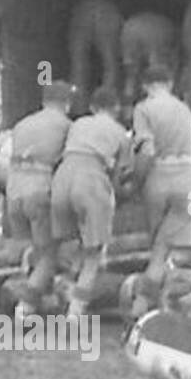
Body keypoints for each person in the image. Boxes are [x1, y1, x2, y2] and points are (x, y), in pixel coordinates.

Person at [49, 85, 133, 317]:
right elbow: (119, 175)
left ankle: (53, 293)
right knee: (93, 254)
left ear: (91, 107)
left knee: (66, 244)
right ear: (116, 108)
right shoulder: (120, 133)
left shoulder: (77, 124)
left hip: (62, 178)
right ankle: (75, 313)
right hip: (91, 179)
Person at [128, 64, 191, 317]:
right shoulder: (185, 109)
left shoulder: (144, 109)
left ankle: (140, 307)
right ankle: (167, 304)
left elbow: (147, 150)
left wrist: (136, 182)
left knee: (157, 249)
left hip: (159, 179)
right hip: (190, 183)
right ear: (169, 84)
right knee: (174, 245)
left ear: (146, 86)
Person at [1, 80, 75, 311]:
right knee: (48, 255)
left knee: (32, 249)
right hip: (39, 188)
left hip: (13, 190)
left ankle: (36, 295)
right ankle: (25, 308)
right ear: (67, 103)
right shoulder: (66, 126)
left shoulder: (22, 124)